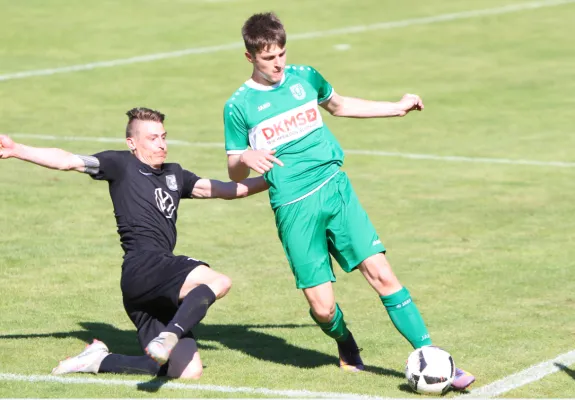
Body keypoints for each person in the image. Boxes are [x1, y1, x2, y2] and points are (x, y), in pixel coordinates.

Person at [223, 12, 475, 390]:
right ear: (250, 57)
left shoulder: (305, 77)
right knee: (322, 309)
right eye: (268, 58)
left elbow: (339, 106)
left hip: (336, 190)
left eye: (281, 55)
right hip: (294, 208)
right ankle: (344, 339)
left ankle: (435, 358)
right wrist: (244, 158)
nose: (278, 65)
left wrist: (396, 107)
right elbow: (233, 171)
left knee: (383, 275)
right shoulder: (238, 106)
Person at [0, 107, 268, 379]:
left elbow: (227, 190)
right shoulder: (121, 165)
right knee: (218, 281)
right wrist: (16, 149)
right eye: (153, 138)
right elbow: (67, 161)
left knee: (185, 371)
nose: (162, 144)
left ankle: (97, 361)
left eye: (164, 136)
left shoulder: (175, 174)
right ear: (132, 143)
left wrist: (274, 179)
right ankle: (169, 335)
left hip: (153, 283)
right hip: (144, 265)